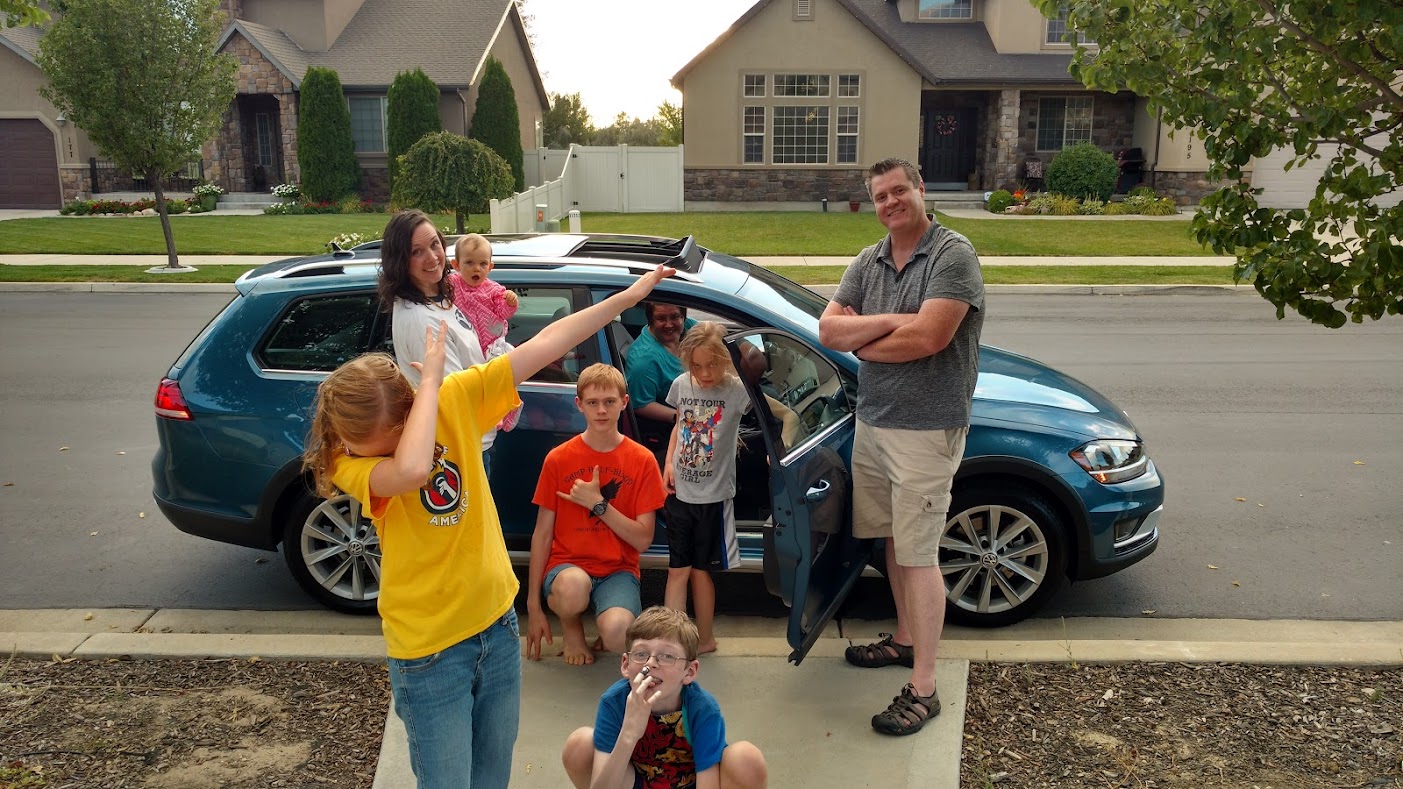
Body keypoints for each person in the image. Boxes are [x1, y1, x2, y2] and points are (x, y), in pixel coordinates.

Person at [304, 251, 673, 788]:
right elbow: (411, 470)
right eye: (378, 445)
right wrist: (432, 385)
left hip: (496, 629)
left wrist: (628, 298)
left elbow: (547, 343)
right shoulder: (348, 461)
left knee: (492, 777)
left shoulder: (450, 402)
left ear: (407, 409)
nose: (392, 447)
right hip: (429, 653)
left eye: (399, 432)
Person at [817, 157, 985, 737]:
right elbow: (829, 331)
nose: (890, 202)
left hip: (926, 430)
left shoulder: (952, 255)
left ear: (920, 190)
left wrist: (866, 338)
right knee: (892, 539)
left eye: (898, 191)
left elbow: (932, 336)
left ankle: (925, 686)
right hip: (874, 424)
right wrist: (893, 324)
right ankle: (906, 639)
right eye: (880, 196)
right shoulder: (869, 260)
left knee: (918, 555)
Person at [526, 363, 668, 666]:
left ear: (624, 402)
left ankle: (608, 621)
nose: (601, 410)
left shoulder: (642, 460)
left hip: (618, 569)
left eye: (609, 402)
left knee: (618, 634)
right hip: (568, 566)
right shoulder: (558, 459)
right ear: (579, 405)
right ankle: (571, 627)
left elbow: (643, 540)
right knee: (573, 588)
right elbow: (542, 533)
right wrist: (533, 606)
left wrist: (598, 504)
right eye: (592, 402)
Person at [560, 606, 768, 789]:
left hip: (691, 783)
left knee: (745, 758)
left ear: (689, 671)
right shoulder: (615, 702)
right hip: (636, 781)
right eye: (640, 654)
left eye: (667, 656)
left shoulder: (702, 708)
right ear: (625, 665)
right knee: (579, 744)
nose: (650, 663)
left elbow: (708, 782)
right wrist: (628, 733)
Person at [379, 210, 501, 473]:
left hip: (474, 437)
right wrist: (506, 371)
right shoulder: (421, 320)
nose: (432, 257)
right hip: (461, 448)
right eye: (417, 252)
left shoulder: (440, 295)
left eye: (434, 244)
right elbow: (455, 393)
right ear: (400, 261)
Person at [661, 322, 751, 655]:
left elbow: (781, 415)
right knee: (677, 571)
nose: (704, 373)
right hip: (680, 494)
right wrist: (668, 462)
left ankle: (705, 639)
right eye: (696, 365)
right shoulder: (682, 384)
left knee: (701, 572)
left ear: (726, 359)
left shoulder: (737, 391)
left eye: (712, 364)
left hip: (713, 498)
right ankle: (672, 642)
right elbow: (679, 425)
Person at [449, 232, 521, 431]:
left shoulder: (494, 290)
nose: (476, 268)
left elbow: (503, 312)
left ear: (490, 267)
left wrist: (510, 302)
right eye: (469, 263)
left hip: (489, 346)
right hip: (464, 346)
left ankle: (497, 415)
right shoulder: (452, 285)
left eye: (482, 264)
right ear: (456, 265)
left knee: (494, 383)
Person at [624, 302, 696, 457]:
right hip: (675, 430)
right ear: (650, 320)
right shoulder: (644, 360)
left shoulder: (687, 327)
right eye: (661, 318)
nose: (669, 324)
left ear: (683, 317)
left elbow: (714, 335)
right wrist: (682, 417)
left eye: (675, 317)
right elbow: (640, 404)